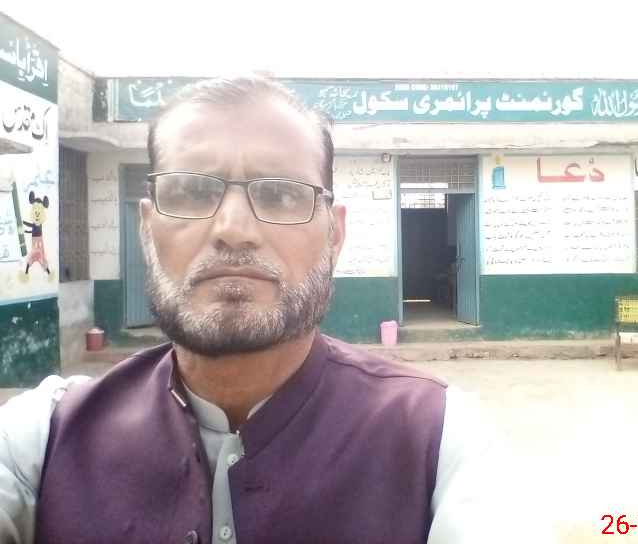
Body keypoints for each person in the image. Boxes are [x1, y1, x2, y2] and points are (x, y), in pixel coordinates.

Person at [0, 74, 527, 544]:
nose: (233, 229)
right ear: (147, 229)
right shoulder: (43, 440)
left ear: (334, 235)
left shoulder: (441, 442)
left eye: (280, 195)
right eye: (190, 192)